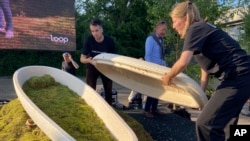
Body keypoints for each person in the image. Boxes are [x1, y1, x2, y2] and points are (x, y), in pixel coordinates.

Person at [162, 1, 250, 141]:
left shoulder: (194, 29)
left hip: (238, 75)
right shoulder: (202, 28)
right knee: (227, 127)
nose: (173, 26)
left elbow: (183, 62)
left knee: (205, 124)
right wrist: (200, 92)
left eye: (174, 21)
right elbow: (205, 68)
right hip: (242, 74)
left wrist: (168, 76)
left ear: (184, 18)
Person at [80, 19, 116, 105]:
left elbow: (114, 58)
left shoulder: (109, 41)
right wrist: (89, 61)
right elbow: (82, 59)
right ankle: (91, 106)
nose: (95, 33)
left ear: (102, 30)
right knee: (90, 89)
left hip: (105, 66)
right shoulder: (89, 40)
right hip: (92, 65)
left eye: (97, 30)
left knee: (108, 89)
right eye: (92, 31)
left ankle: (109, 108)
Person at [144, 21, 167, 118]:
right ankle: (146, 110)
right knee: (151, 89)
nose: (163, 32)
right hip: (153, 68)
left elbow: (160, 55)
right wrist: (151, 69)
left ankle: (154, 109)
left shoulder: (161, 40)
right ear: (157, 28)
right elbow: (148, 55)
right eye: (162, 29)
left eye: (165, 30)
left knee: (158, 89)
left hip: (160, 68)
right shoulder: (150, 39)